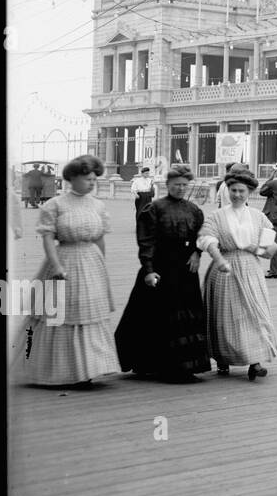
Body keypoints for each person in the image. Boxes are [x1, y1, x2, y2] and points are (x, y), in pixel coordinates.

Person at [21, 154, 121, 388]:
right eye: (87, 179)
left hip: (91, 262)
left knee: (89, 313)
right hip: (64, 260)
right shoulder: (55, 204)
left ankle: (90, 369)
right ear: (73, 178)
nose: (92, 183)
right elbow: (47, 238)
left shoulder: (98, 205)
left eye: (94, 179)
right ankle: (62, 370)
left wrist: (102, 266)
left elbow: (99, 239)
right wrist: (56, 265)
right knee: (63, 314)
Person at [115, 164, 209, 383]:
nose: (180, 189)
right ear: (167, 185)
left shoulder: (194, 210)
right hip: (160, 267)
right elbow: (145, 241)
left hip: (186, 269)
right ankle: (153, 365)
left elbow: (201, 236)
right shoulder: (154, 208)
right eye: (176, 185)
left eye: (184, 185)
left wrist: (197, 253)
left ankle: (185, 366)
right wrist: (148, 270)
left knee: (185, 315)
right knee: (156, 315)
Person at [201, 168, 277, 381]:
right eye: (233, 190)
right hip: (224, 269)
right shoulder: (216, 216)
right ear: (227, 190)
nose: (237, 194)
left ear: (250, 192)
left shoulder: (259, 217)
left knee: (253, 313)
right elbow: (207, 240)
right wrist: (219, 260)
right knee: (225, 315)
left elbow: (269, 250)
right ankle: (222, 360)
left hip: (250, 268)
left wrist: (257, 247)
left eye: (241, 191)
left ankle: (255, 362)